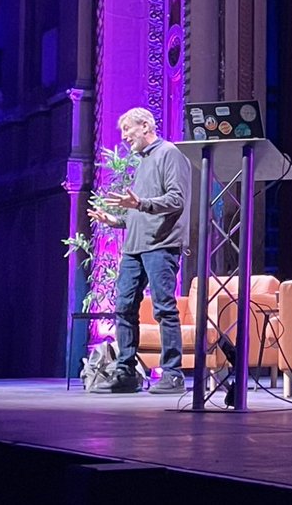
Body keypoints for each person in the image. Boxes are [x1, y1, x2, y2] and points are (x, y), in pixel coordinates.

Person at [87, 107, 191, 394]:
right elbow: (141, 209)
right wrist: (118, 220)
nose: (124, 137)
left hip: (161, 244)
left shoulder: (169, 153)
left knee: (164, 309)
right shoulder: (143, 161)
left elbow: (176, 200)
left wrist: (139, 205)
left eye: (128, 130)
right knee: (123, 308)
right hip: (135, 248)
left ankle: (172, 374)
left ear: (146, 126)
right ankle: (126, 372)